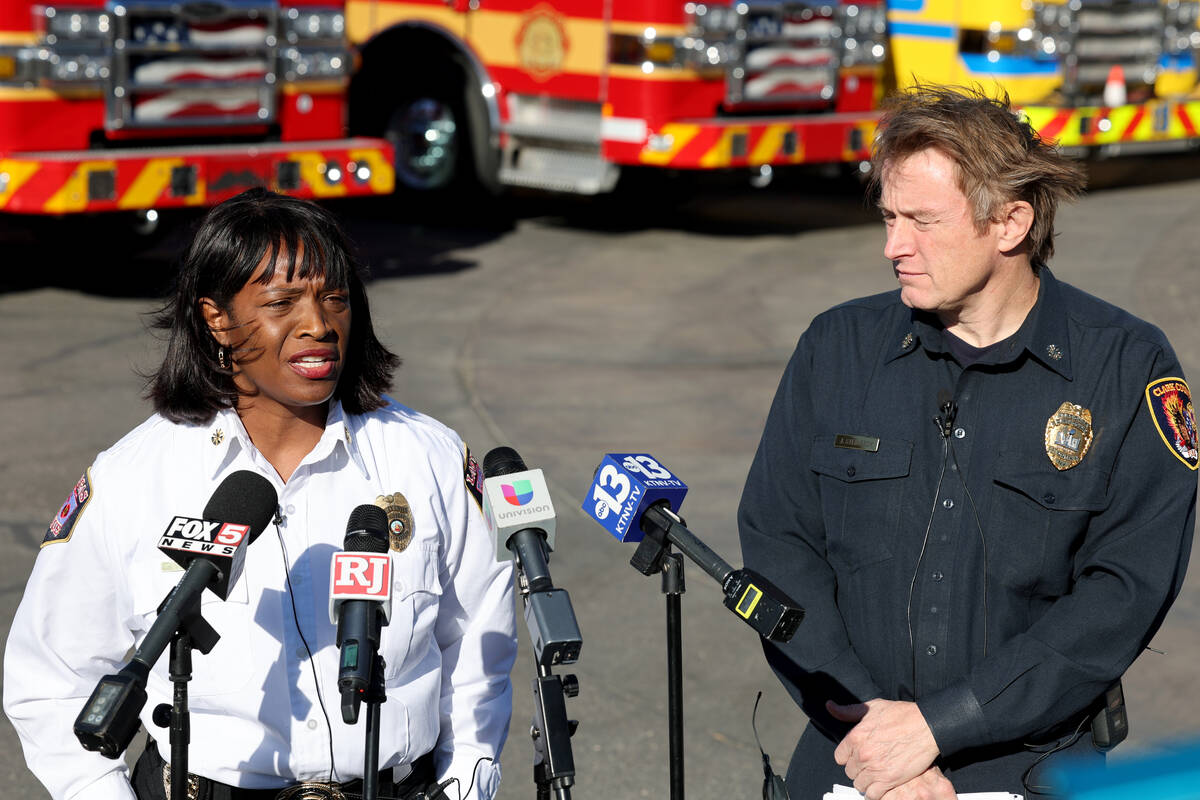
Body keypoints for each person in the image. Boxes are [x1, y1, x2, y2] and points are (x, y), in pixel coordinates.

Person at [738, 85, 1197, 800]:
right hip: (847, 752)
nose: (893, 246)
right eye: (889, 217)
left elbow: (1123, 594)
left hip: (1029, 766)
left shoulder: (1125, 368)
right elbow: (778, 543)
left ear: (1009, 222)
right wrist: (877, 738)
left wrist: (938, 727)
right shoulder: (837, 349)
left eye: (921, 221)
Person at [4, 188, 518, 800]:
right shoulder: (132, 478)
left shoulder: (426, 455)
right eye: (282, 302)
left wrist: (463, 783)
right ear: (216, 318)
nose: (319, 324)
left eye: (335, 297)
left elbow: (478, 645)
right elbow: (53, 677)